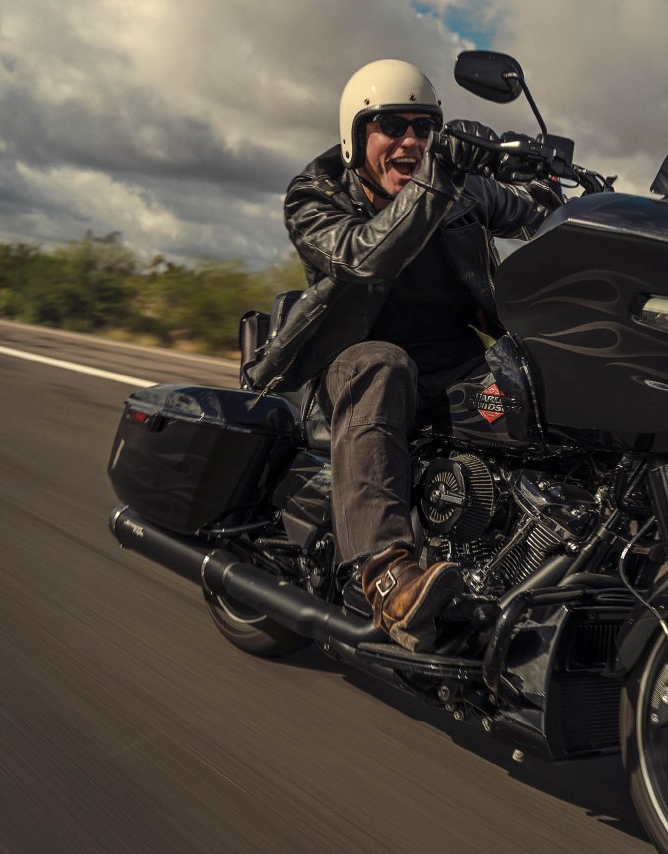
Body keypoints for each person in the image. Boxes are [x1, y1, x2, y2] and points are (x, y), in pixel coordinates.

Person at [245, 59, 562, 650]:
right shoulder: (314, 194)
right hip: (352, 365)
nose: (410, 141)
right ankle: (386, 574)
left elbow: (534, 215)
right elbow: (362, 256)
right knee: (382, 364)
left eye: (425, 127)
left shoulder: (461, 187)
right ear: (357, 134)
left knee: (544, 387)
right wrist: (439, 181)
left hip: (457, 366)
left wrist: (556, 189)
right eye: (392, 126)